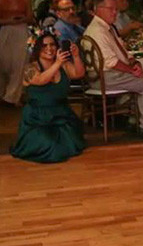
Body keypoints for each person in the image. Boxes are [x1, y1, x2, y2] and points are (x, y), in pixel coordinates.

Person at [83, 0, 143, 138]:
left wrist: (134, 63)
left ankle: (133, 120)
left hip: (107, 74)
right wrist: (132, 70)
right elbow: (111, 62)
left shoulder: (108, 28)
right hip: (103, 77)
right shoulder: (97, 31)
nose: (115, 12)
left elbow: (122, 51)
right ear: (98, 9)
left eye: (115, 9)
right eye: (111, 9)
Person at [10, 33, 86, 163]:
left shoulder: (64, 65)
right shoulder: (30, 68)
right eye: (44, 46)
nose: (49, 49)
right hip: (37, 118)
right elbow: (40, 80)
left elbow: (79, 73)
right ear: (38, 49)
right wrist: (57, 63)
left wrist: (76, 56)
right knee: (50, 144)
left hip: (61, 114)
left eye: (52, 45)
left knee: (72, 141)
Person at [0, 0, 34, 106]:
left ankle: (12, 96)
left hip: (21, 31)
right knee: (4, 63)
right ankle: (3, 92)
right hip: (5, 31)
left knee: (20, 63)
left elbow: (31, 17)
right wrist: (9, 20)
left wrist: (21, 19)